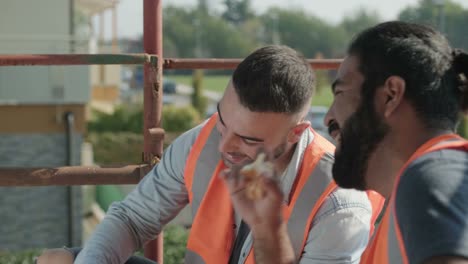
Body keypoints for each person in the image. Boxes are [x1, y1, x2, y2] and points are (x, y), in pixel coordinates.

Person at [37, 45, 382, 264]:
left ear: (297, 132)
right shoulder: (201, 141)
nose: (225, 146)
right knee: (58, 261)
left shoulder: (340, 203)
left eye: (247, 139)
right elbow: (132, 219)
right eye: (221, 120)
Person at [223, 21, 468, 264]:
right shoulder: (416, 187)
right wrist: (268, 231)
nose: (329, 117)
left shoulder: (432, 177)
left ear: (390, 95)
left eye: (340, 92)